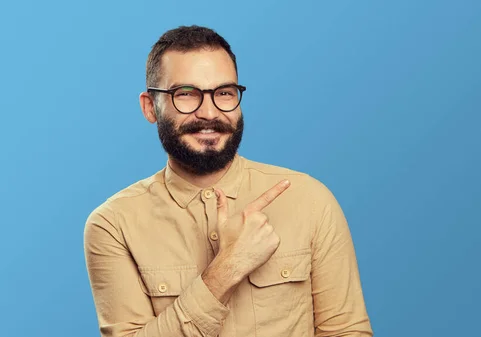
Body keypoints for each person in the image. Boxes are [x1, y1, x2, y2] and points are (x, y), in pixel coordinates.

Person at [83, 25, 373, 337]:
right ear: (150, 107)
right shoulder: (112, 225)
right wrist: (228, 267)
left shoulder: (310, 200)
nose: (209, 112)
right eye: (186, 94)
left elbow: (347, 331)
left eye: (223, 93)